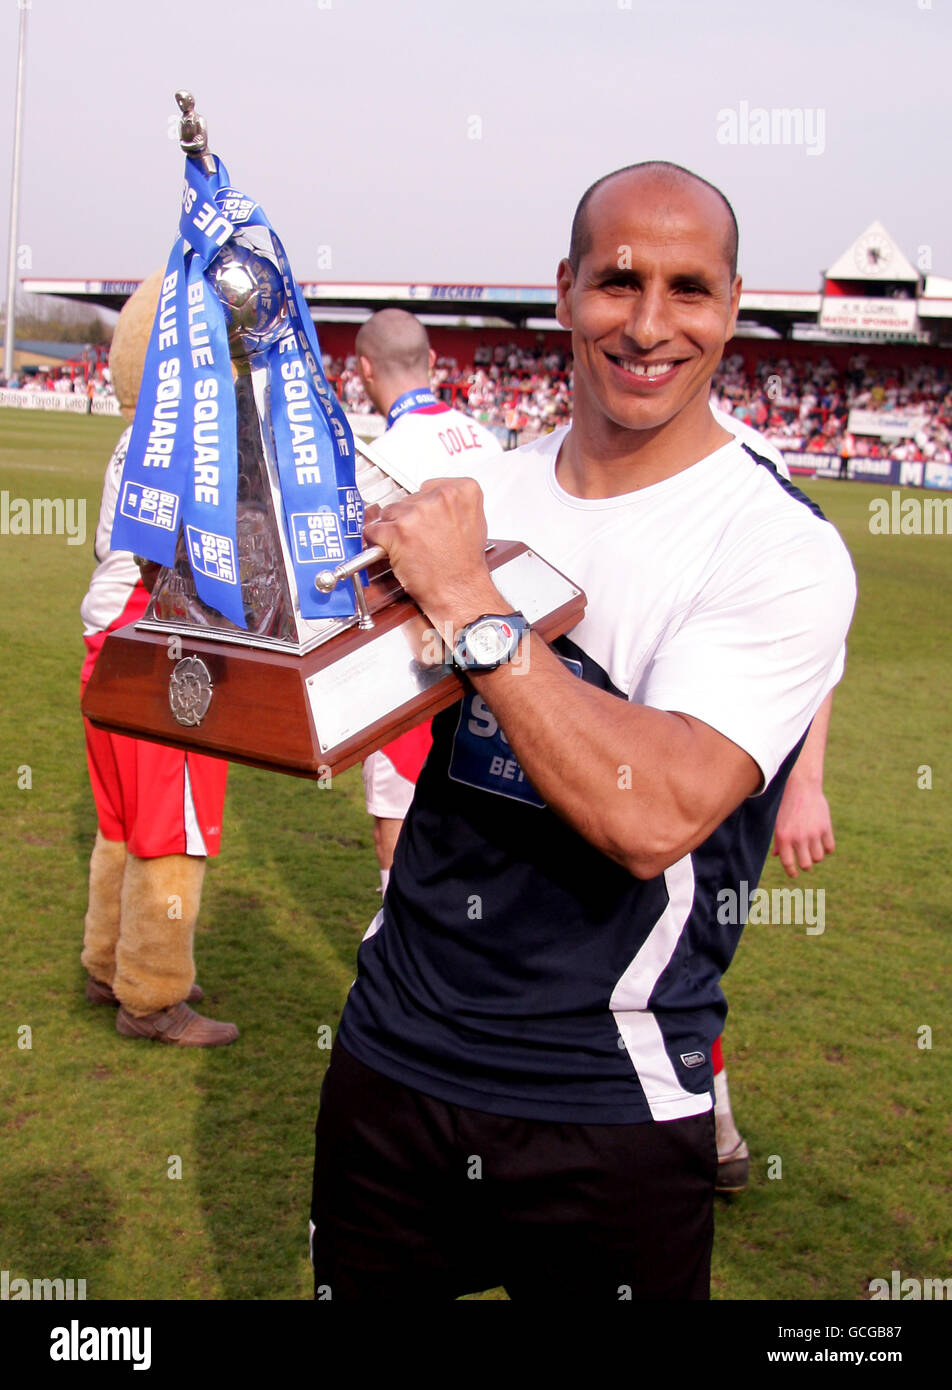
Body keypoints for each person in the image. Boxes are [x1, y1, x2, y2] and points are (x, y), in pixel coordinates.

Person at [310, 162, 856, 1300]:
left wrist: (469, 603)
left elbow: (648, 813)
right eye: (616, 281)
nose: (649, 324)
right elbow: (322, 709)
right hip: (391, 1059)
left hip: (603, 1098)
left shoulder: (778, 545)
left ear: (734, 303)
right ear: (562, 291)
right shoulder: (482, 495)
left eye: (687, 289)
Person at [80, 274, 237, 1047]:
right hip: (157, 648)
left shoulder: (135, 434)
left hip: (105, 642)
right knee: (173, 831)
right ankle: (152, 995)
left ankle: (109, 961)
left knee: (119, 821)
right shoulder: (181, 444)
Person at [354, 309, 503, 890]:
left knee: (396, 815)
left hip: (415, 661)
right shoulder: (485, 437)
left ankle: (395, 938)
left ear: (364, 369)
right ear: (434, 362)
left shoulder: (379, 459)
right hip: (501, 652)